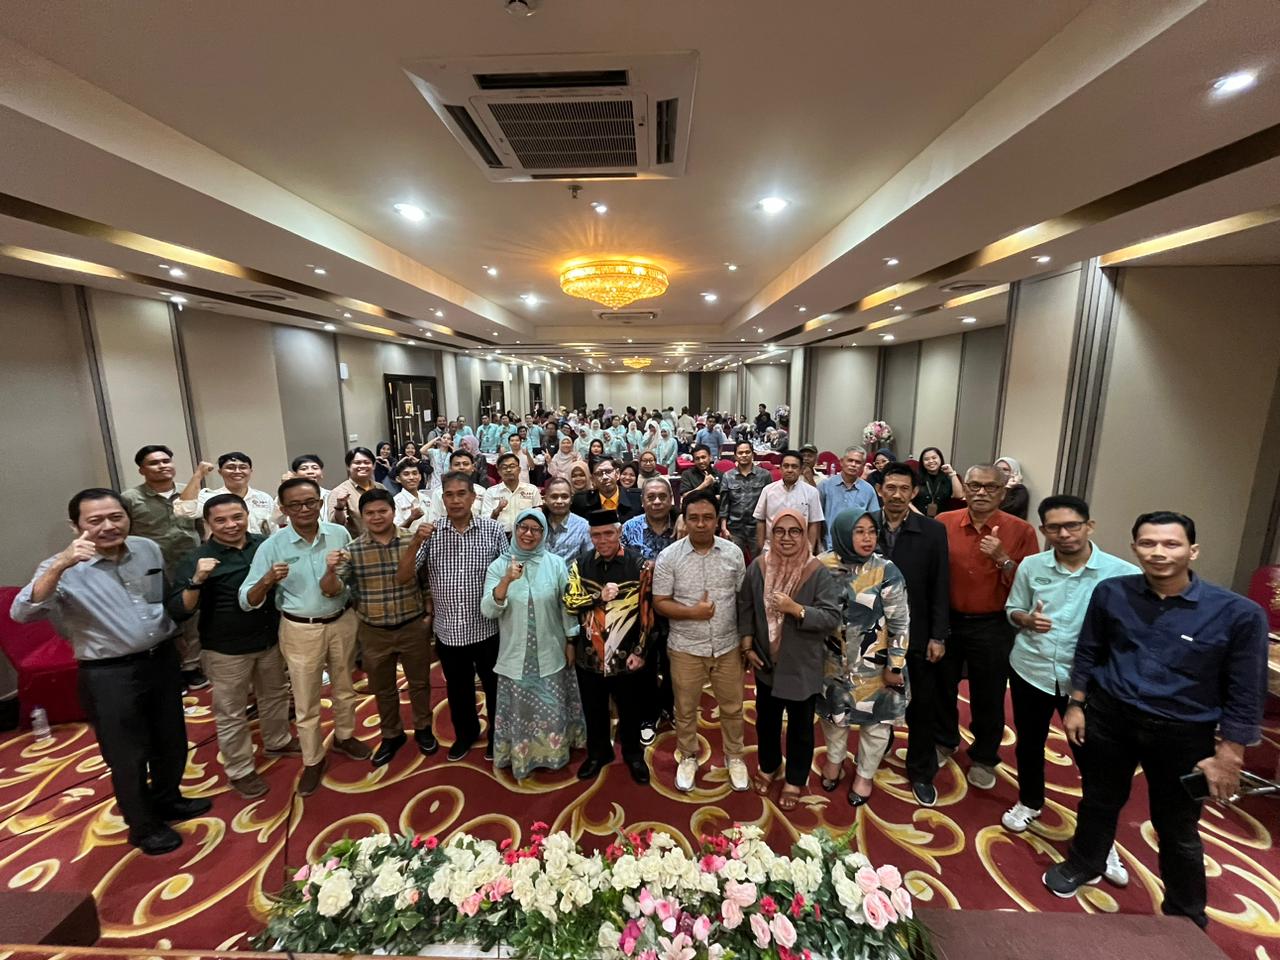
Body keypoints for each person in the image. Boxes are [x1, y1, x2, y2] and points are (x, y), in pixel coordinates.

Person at [1042, 512, 1268, 922]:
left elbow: (1245, 690)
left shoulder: (1237, 613)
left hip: (1184, 732)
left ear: (1192, 551)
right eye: (1148, 544)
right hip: (1111, 718)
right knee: (1098, 799)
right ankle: (1086, 861)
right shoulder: (1112, 593)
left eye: (1171, 544)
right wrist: (1076, 704)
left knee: (1177, 824)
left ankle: (1185, 912)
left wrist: (1230, 754)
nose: (1159, 553)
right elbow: (1089, 650)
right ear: (1135, 549)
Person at [11, 489, 212, 855]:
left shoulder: (147, 549)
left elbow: (159, 599)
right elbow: (22, 613)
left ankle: (168, 799)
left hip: (160, 660)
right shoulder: (62, 567)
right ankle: (143, 825)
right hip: (110, 673)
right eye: (95, 520)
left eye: (116, 517)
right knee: (128, 753)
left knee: (170, 739)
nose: (108, 526)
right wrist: (60, 565)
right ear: (76, 526)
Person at [1001, 495, 1136, 886]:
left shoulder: (1121, 574)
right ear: (1044, 531)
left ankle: (1099, 840)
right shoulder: (1032, 566)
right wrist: (1025, 619)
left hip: (1088, 683)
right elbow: (1012, 609)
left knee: (1094, 760)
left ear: (1089, 526)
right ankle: (1030, 801)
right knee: (1029, 742)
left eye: (1072, 525)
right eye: (1055, 527)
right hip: (1032, 668)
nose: (1064, 534)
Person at [240, 477, 371, 797]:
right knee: (306, 697)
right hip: (300, 629)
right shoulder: (272, 546)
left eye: (310, 502)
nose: (304, 509)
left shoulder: (338, 533)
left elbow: (351, 576)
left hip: (342, 620)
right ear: (283, 509)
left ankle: (344, 736)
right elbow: (246, 599)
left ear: (320, 503)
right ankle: (313, 759)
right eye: (295, 504)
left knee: (345, 686)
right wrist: (268, 580)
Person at [166, 493, 298, 800]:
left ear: (246, 515)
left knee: (275, 695)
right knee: (231, 712)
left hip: (269, 638)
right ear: (208, 523)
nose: (230, 525)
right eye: (221, 520)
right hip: (225, 648)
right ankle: (240, 769)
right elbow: (179, 610)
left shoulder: (264, 545)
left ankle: (278, 740)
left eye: (236, 517)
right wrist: (197, 579)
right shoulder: (198, 558)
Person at [935, 464, 1039, 789]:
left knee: (989, 693)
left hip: (993, 624)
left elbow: (1031, 585)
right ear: (964, 488)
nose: (981, 492)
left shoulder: (1021, 531)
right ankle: (944, 739)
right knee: (941, 686)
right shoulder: (944, 522)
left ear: (1003, 493)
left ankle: (984, 755)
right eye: (974, 485)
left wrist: (1003, 557)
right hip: (948, 620)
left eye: (990, 487)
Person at [399, 471, 507, 762]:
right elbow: (404, 576)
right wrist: (414, 542)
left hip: (487, 628)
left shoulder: (493, 530)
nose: (456, 500)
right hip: (448, 630)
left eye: (462, 494)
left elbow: (509, 576)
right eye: (449, 494)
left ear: (473, 497)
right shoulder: (430, 533)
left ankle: (498, 737)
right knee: (458, 690)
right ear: (442, 498)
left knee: (495, 687)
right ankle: (466, 734)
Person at [324, 489, 436, 768]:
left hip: (412, 625)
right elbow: (332, 590)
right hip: (373, 630)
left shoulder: (413, 540)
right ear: (362, 516)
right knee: (383, 687)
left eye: (382, 511)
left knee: (420, 683)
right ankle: (391, 734)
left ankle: (423, 728)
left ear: (393, 512)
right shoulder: (353, 550)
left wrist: (428, 613)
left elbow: (426, 579)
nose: (376, 517)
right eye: (370, 513)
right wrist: (330, 570)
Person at [738, 509, 841, 811]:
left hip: (801, 665)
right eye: (779, 531)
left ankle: (795, 778)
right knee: (766, 722)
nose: (786, 537)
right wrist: (747, 643)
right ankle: (770, 766)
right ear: (770, 534)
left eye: (794, 531)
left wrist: (796, 609)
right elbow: (745, 604)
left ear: (805, 534)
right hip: (766, 662)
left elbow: (831, 617)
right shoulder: (759, 567)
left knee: (800, 727)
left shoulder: (816, 571)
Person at [652, 492, 749, 793]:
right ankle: (688, 755)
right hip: (685, 647)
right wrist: (693, 612)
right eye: (693, 518)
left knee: (732, 706)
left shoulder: (733, 553)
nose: (701, 524)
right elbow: (659, 602)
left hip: (727, 645)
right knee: (685, 708)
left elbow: (743, 600)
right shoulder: (670, 557)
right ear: (684, 520)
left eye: (708, 518)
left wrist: (746, 641)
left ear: (718, 520)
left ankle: (735, 756)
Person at [478, 510, 585, 779]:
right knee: (520, 710)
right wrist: (506, 580)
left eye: (536, 529)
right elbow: (488, 610)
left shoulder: (555, 564)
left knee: (552, 706)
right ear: (514, 530)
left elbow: (567, 607)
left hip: (550, 650)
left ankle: (553, 754)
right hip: (516, 655)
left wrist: (571, 640)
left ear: (544, 533)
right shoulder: (499, 566)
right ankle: (521, 756)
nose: (528, 534)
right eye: (523, 527)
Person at [869, 463, 951, 806]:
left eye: (904, 489)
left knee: (922, 706)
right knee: (873, 697)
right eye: (891, 488)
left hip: (917, 632)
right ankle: (875, 751)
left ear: (914, 492)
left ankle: (920, 771)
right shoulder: (866, 525)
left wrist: (938, 635)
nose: (897, 495)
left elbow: (941, 585)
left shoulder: (932, 531)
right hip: (873, 633)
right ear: (880, 490)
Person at [817, 509, 910, 806]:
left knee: (876, 722)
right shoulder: (822, 565)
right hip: (832, 662)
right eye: (859, 531)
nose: (867, 538)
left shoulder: (886, 570)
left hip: (875, 664)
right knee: (835, 717)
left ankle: (865, 774)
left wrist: (895, 664)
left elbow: (900, 622)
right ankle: (834, 761)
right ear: (844, 533)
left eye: (872, 531)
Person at [564, 509, 654, 784]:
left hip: (627, 655)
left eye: (608, 534)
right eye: (596, 535)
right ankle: (598, 753)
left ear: (619, 533)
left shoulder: (639, 565)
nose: (602, 540)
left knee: (630, 709)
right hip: (590, 654)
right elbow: (570, 603)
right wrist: (597, 596)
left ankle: (633, 754)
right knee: (593, 709)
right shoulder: (580, 564)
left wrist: (641, 651)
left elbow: (648, 613)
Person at [122, 445, 205, 688]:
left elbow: (200, 526)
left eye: (166, 461)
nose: (162, 466)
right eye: (154, 463)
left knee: (192, 616)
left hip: (188, 563)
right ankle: (169, 667)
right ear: (141, 470)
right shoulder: (130, 498)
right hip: (151, 569)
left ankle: (191, 666)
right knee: (159, 615)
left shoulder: (189, 491)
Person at [176, 452, 276, 536]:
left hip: (259, 549)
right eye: (230, 467)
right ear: (220, 472)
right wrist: (198, 474)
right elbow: (184, 511)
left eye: (243, 467)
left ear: (250, 471)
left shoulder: (264, 498)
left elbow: (273, 528)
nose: (237, 471)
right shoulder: (210, 497)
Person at [753, 450, 824, 551]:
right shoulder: (768, 490)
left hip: (800, 550)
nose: (790, 470)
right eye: (786, 466)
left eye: (794, 467)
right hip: (771, 548)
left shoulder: (812, 492)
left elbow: (813, 523)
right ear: (780, 468)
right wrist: (762, 547)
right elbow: (761, 520)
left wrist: (810, 550)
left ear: (801, 469)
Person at [718, 441, 773, 563]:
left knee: (760, 564)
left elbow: (770, 503)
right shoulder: (728, 476)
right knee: (734, 563)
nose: (744, 455)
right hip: (735, 528)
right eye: (740, 453)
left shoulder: (764, 475)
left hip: (757, 528)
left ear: (753, 454)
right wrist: (723, 527)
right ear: (735, 456)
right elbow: (724, 504)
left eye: (747, 452)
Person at [818, 448, 878, 551]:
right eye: (850, 460)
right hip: (829, 546)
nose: (853, 465)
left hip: (857, 547)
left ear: (863, 467)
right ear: (841, 462)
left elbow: (874, 520)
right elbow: (817, 519)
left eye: (858, 462)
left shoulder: (868, 490)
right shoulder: (825, 486)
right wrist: (818, 544)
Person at [481, 452, 543, 533]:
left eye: (512, 466)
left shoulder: (532, 490)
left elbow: (539, 517)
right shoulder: (490, 492)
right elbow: (485, 521)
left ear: (519, 469)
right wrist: (496, 511)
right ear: (499, 472)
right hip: (498, 534)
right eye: (504, 467)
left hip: (525, 535)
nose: (508, 470)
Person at [327, 447, 379, 535]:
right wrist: (339, 507)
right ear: (348, 466)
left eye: (367, 462)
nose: (362, 466)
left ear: (373, 466)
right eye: (357, 463)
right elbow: (335, 526)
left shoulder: (380, 487)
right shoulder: (339, 492)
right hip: (356, 542)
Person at [426, 450, 486, 524]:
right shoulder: (439, 492)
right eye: (457, 464)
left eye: (466, 464)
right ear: (450, 468)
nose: (462, 467)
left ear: (473, 467)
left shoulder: (481, 491)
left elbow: (486, 518)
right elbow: (433, 520)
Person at [572, 456, 641, 520]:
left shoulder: (637, 498)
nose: (605, 477)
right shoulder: (581, 501)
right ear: (593, 479)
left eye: (608, 471)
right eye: (599, 473)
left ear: (617, 474)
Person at [542, 477, 592, 563]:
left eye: (564, 497)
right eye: (554, 497)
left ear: (571, 499)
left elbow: (589, 562)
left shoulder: (584, 527)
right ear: (546, 499)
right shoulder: (538, 525)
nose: (559, 501)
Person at [914, 447, 963, 517]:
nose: (931, 461)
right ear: (922, 462)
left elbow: (959, 495)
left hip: (941, 518)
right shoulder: (915, 478)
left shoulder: (947, 478)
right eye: (926, 459)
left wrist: (952, 473)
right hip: (918, 517)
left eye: (934, 458)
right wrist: (919, 515)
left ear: (940, 459)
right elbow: (908, 501)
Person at [392, 460, 431, 531]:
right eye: (406, 474)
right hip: (408, 538)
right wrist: (411, 519)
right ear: (398, 479)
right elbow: (395, 530)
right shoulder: (395, 502)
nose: (411, 477)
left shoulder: (426, 498)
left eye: (414, 473)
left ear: (420, 477)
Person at [995, 456, 1030, 520]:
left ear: (1014, 472)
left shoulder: (1019, 489)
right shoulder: (992, 487)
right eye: (997, 469)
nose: (1000, 472)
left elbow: (1008, 508)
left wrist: (1006, 489)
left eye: (1005, 469)